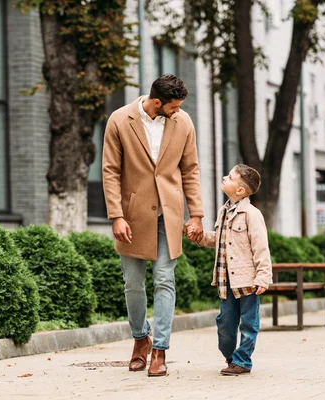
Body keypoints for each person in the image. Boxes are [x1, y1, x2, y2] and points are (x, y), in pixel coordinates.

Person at [102, 74, 204, 377]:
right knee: (133, 285)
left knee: (164, 279)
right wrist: (116, 215)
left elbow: (191, 169)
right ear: (156, 102)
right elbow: (110, 170)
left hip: (168, 214)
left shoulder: (183, 123)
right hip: (132, 215)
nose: (178, 112)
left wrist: (195, 213)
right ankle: (139, 340)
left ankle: (160, 349)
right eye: (173, 107)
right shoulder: (120, 120)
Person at [188, 164, 272, 376]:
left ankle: (242, 361)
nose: (225, 177)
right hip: (225, 279)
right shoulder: (223, 211)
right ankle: (230, 356)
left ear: (240, 190)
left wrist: (263, 277)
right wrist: (200, 237)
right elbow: (219, 240)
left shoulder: (252, 214)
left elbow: (261, 247)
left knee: (248, 324)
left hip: (247, 280)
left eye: (230, 177)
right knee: (225, 323)